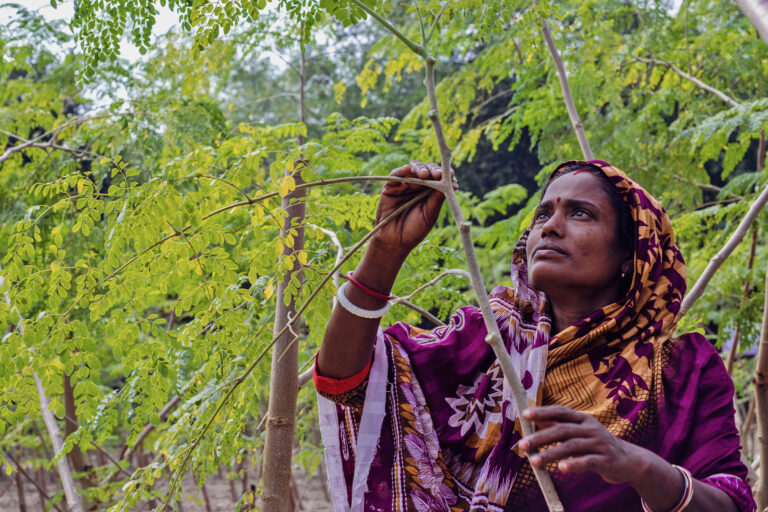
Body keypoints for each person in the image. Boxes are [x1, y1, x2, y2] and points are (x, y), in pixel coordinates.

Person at [314, 160, 756, 512]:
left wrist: (636, 466)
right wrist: (386, 249)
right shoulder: (486, 341)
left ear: (632, 254)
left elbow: (731, 502)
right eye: (544, 212)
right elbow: (346, 379)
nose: (550, 226)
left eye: (580, 213)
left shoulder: (681, 367)